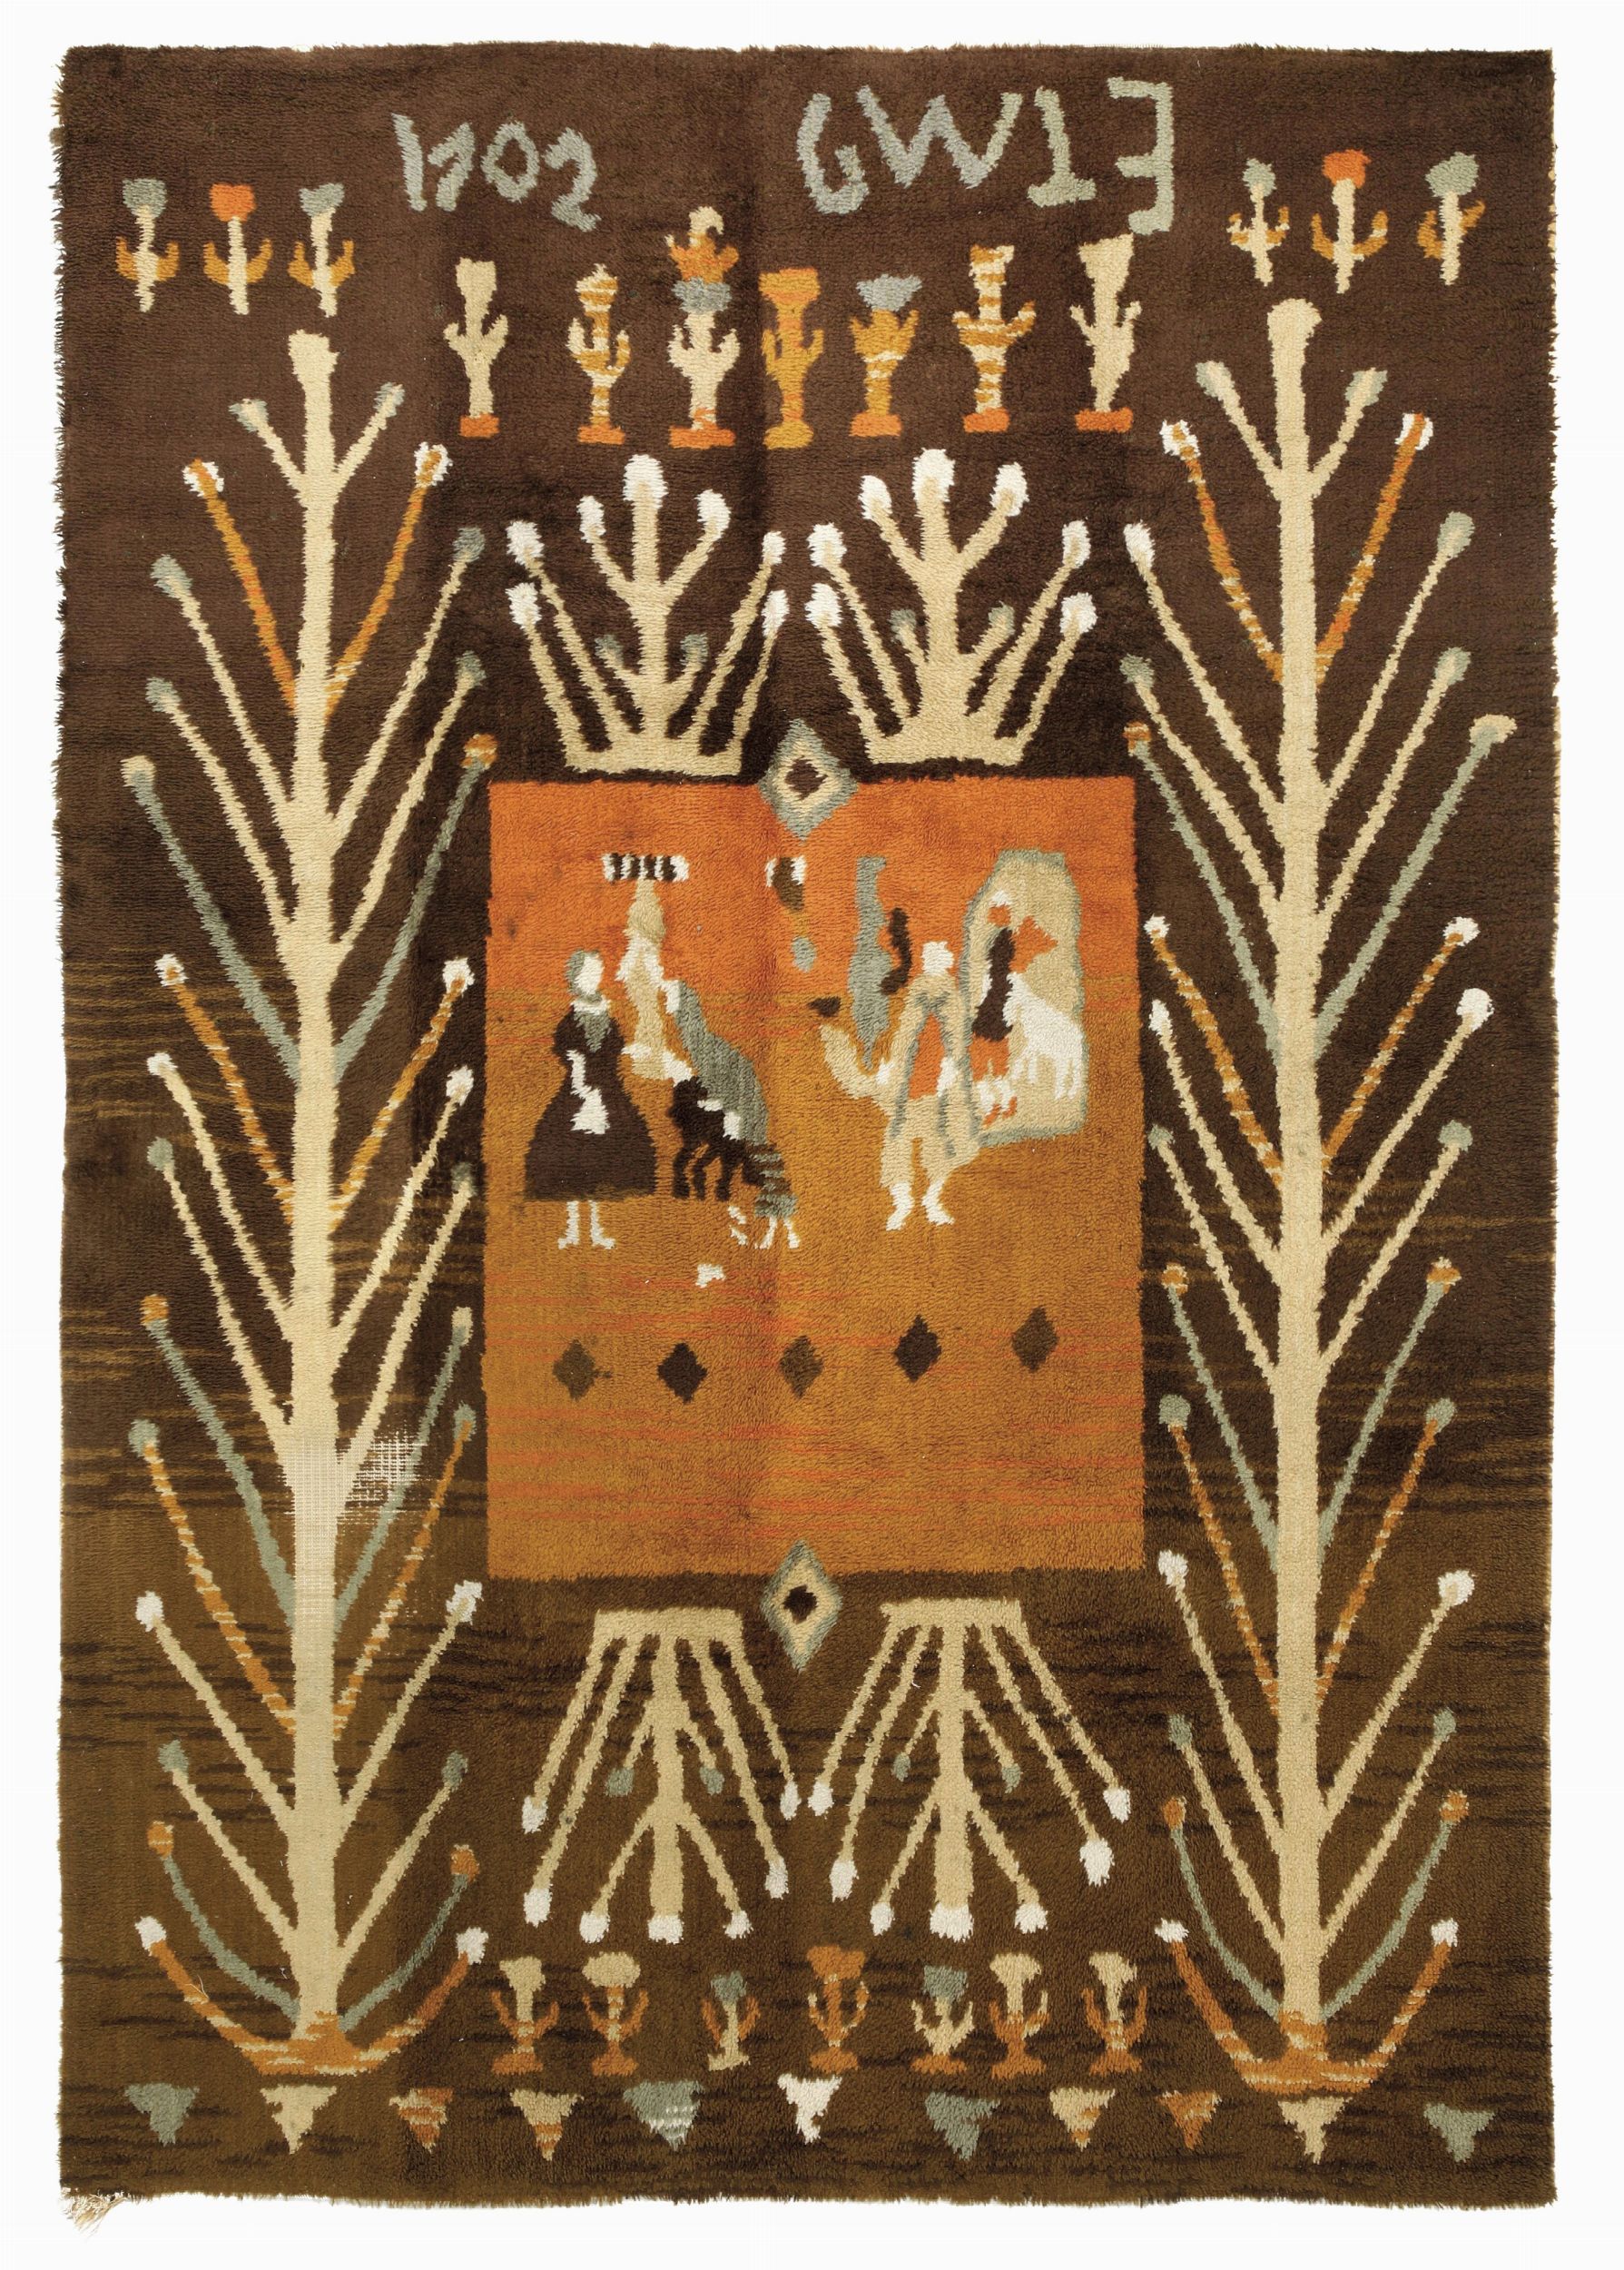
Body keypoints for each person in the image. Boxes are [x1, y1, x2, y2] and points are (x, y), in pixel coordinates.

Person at [525, 950, 656, 1250]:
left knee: (599, 1161)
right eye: (590, 972)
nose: (596, 976)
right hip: (581, 1091)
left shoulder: (604, 1009)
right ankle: (572, 1229)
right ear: (576, 977)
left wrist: (632, 1051)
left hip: (608, 1089)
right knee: (574, 1158)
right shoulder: (573, 1016)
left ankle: (595, 1229)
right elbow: (574, 1058)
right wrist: (584, 1091)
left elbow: (611, 1048)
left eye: (598, 971)